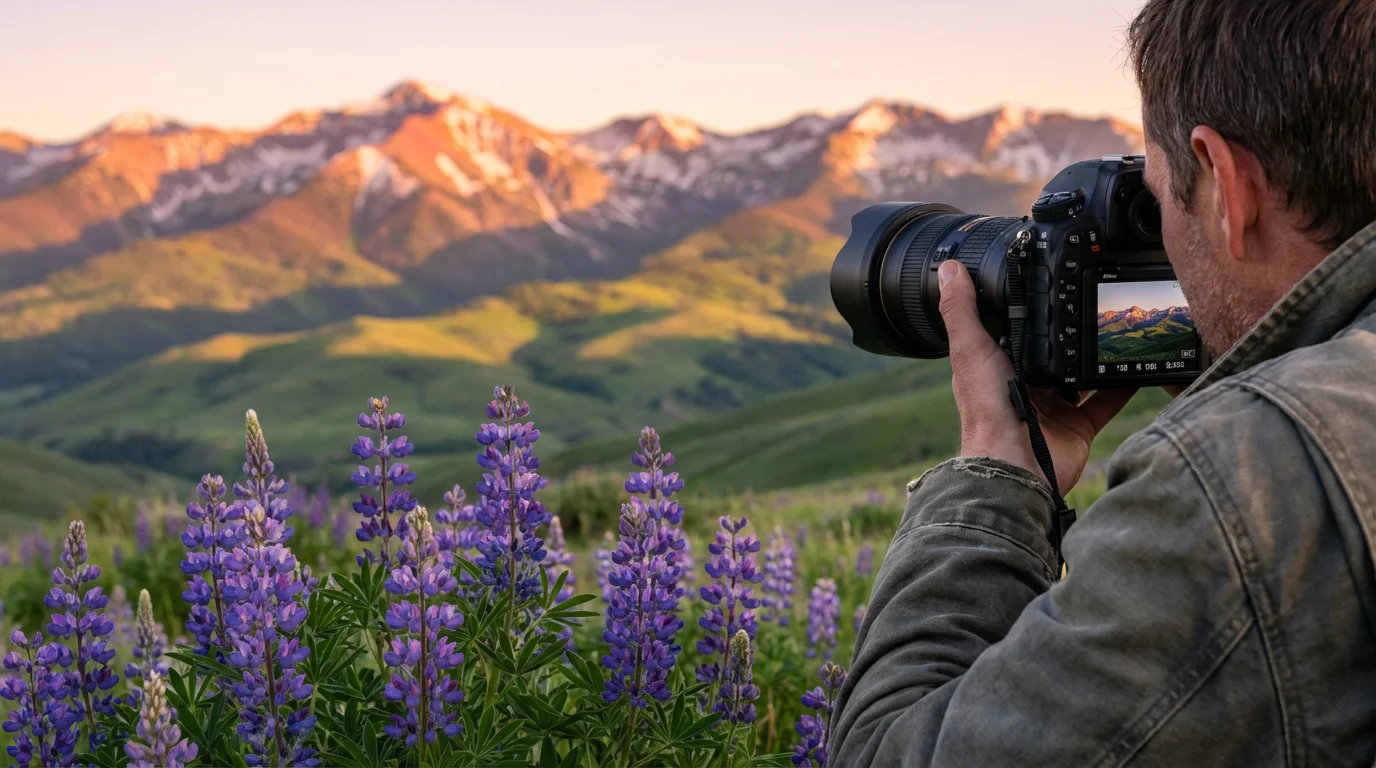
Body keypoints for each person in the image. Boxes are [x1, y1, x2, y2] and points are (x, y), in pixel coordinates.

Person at [830, 0, 1376, 765]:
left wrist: (996, 469)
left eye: (1162, 197)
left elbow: (883, 756)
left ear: (1226, 181)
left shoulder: (1246, 477)